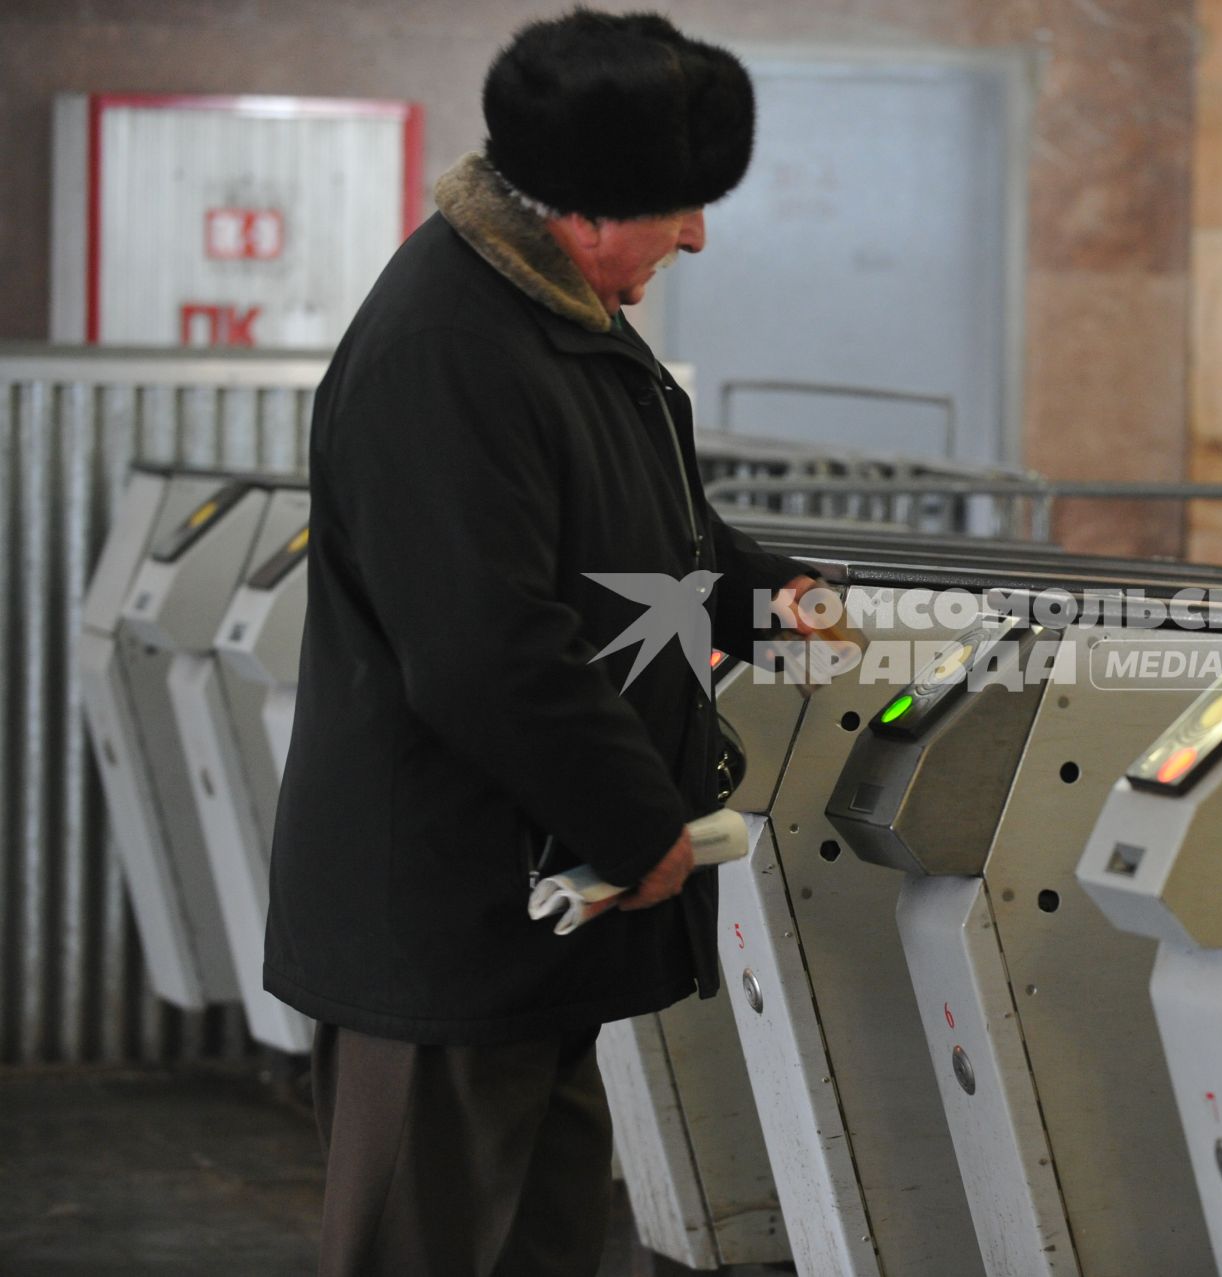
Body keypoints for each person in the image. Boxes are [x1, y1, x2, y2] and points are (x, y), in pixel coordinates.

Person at [264, 11, 815, 1273]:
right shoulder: (447, 349)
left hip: (536, 915)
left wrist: (774, 594)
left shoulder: (555, 320)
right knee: (427, 1242)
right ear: (587, 201)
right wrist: (643, 823)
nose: (698, 234)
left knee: (547, 1238)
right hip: (448, 926)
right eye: (679, 204)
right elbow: (484, 647)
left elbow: (637, 535)